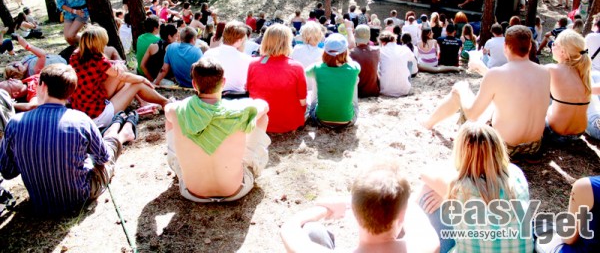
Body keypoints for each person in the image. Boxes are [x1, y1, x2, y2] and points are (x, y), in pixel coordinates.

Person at [0, 64, 138, 215]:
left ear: (43, 86)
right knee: (107, 147)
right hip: (80, 197)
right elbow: (103, 159)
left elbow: (7, 172)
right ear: (71, 91)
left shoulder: (14, 123)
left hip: (41, 203)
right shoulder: (81, 120)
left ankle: (117, 129)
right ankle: (122, 134)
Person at [424, 25, 551, 159]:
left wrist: (462, 90)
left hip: (503, 147)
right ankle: (429, 123)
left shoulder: (497, 74)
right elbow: (516, 86)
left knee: (459, 89)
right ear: (530, 46)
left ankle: (428, 123)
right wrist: (484, 70)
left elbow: (472, 114)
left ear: (505, 46)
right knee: (496, 103)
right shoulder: (545, 72)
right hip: (533, 146)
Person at [164, 57, 270, 203]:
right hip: (235, 190)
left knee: (171, 121)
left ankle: (186, 167)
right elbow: (264, 106)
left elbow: (167, 109)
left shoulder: (178, 110)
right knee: (261, 117)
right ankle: (248, 164)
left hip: (192, 192)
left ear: (194, 84)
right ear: (223, 82)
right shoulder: (240, 109)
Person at [280, 160, 440, 253]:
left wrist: (327, 209)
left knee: (311, 230)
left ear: (354, 214)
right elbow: (412, 209)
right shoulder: (425, 246)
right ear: (402, 215)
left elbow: (289, 228)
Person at [421, 122, 534, 253]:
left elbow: (425, 172)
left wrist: (444, 192)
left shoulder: (458, 187)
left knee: (427, 189)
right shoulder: (516, 175)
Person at [70, 26, 169, 129]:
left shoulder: (75, 56)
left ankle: (148, 101)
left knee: (125, 76)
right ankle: (165, 102)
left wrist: (117, 64)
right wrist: (143, 79)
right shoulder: (98, 60)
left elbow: (112, 71)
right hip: (98, 115)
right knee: (136, 84)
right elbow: (123, 76)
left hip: (82, 110)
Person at [247, 25, 307, 133]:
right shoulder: (296, 67)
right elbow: (302, 100)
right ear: (287, 42)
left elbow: (248, 91)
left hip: (260, 121)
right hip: (289, 122)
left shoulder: (253, 64)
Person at [545, 30, 592, 139]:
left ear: (563, 51)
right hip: (579, 132)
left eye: (554, 44)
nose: (551, 46)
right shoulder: (583, 72)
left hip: (556, 132)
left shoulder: (551, 69)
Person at [306, 34, 360, 128]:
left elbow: (305, 72)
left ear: (325, 51)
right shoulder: (354, 67)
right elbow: (351, 64)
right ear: (345, 51)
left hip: (321, 119)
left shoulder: (317, 67)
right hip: (347, 120)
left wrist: (322, 63)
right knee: (354, 79)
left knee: (316, 77)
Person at [203, 21, 252, 94]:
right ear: (240, 40)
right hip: (237, 96)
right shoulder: (247, 59)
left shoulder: (208, 54)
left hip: (212, 94)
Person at [378, 31, 417, 97]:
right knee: (408, 60)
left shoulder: (380, 51)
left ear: (383, 42)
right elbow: (413, 60)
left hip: (385, 90)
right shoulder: (404, 49)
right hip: (404, 89)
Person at [350, 25, 380, 97]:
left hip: (359, 92)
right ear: (369, 37)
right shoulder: (376, 51)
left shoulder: (351, 53)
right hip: (374, 91)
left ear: (355, 36)